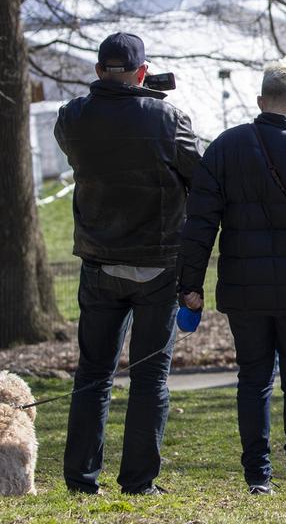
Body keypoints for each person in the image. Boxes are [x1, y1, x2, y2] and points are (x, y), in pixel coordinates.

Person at [177, 56, 286, 495]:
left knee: (253, 379)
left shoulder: (223, 149)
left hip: (245, 288)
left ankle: (258, 477)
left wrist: (190, 285)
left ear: (261, 100)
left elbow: (199, 225)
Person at [54, 32, 202, 495]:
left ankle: (81, 479)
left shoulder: (72, 117)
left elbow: (90, 141)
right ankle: (138, 482)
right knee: (149, 376)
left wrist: (133, 98)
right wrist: (148, 100)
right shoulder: (167, 117)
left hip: (99, 260)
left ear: (99, 70)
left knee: (93, 373)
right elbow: (199, 174)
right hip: (158, 264)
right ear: (142, 71)